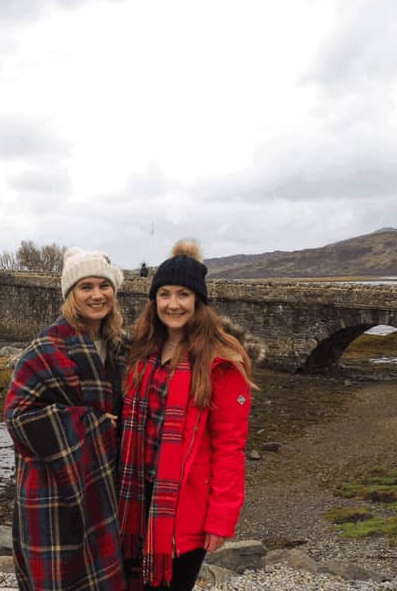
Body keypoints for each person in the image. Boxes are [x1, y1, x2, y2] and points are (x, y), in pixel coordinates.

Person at [117, 240, 258, 591]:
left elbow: (229, 447)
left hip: (185, 509)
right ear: (155, 301)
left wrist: (220, 520)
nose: (173, 304)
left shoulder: (222, 362)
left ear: (198, 301)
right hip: (132, 500)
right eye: (164, 294)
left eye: (183, 294)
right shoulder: (141, 350)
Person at [5, 247, 128, 591]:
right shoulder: (45, 348)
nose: (96, 295)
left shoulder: (118, 346)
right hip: (52, 489)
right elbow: (18, 417)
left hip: (102, 484)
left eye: (104, 286)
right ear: (70, 294)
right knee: (61, 577)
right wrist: (93, 425)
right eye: (85, 287)